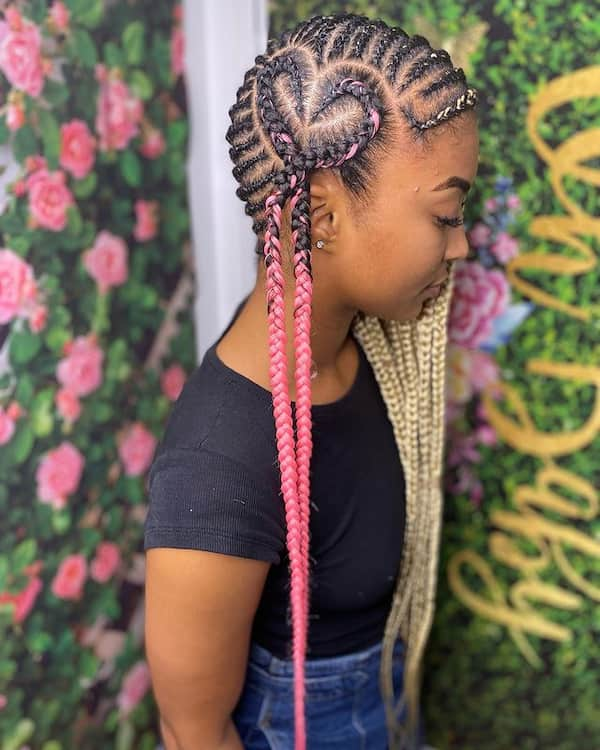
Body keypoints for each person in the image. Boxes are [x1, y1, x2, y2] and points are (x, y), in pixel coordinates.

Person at [143, 12, 479, 750]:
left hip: (390, 707)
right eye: (447, 213)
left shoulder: (357, 338)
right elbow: (193, 734)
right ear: (320, 213)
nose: (460, 244)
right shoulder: (215, 471)